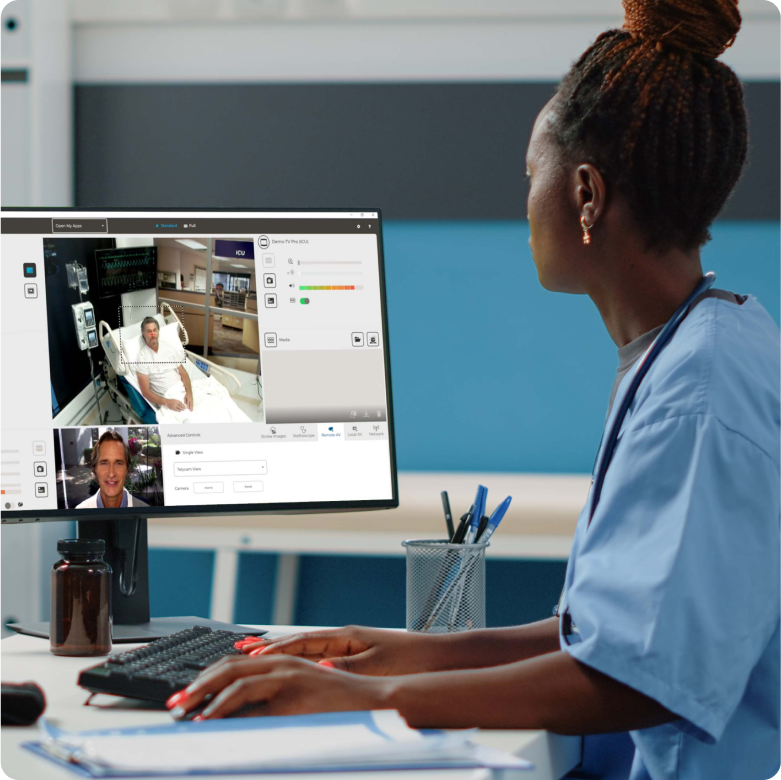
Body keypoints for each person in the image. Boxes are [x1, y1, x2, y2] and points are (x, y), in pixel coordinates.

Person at [167, 1, 781, 776]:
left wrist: (359, 698)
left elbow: (634, 679)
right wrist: (398, 653)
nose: (525, 203)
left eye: (532, 176)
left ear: (585, 194)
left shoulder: (698, 393)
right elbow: (608, 633)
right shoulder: (704, 341)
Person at [76, 430, 148, 509]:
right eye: (104, 463)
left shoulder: (145, 511)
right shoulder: (80, 512)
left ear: (127, 469)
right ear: (95, 468)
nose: (111, 473)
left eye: (118, 463)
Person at [136, 317, 194, 414]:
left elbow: (183, 373)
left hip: (182, 389)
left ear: (158, 331)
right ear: (143, 334)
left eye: (155, 330)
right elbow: (145, 392)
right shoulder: (142, 358)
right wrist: (167, 402)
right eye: (149, 331)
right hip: (168, 398)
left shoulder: (168, 347)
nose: (152, 334)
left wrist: (189, 393)